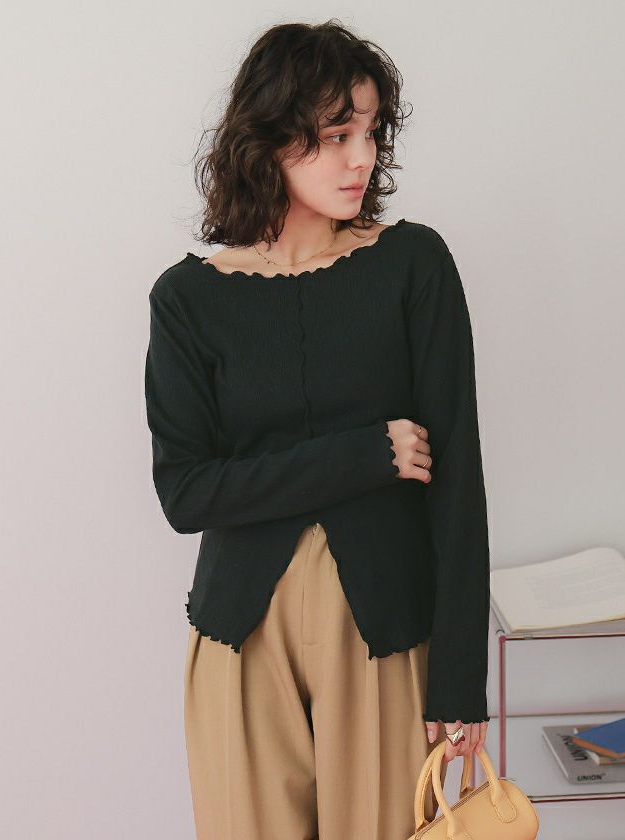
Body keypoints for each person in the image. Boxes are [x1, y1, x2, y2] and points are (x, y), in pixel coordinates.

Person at [145, 19, 491, 840]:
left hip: (384, 638)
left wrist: (460, 682)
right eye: (337, 135)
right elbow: (186, 493)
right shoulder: (188, 300)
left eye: (370, 132)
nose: (361, 157)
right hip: (241, 639)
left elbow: (459, 486)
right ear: (269, 139)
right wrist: (367, 453)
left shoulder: (413, 265)